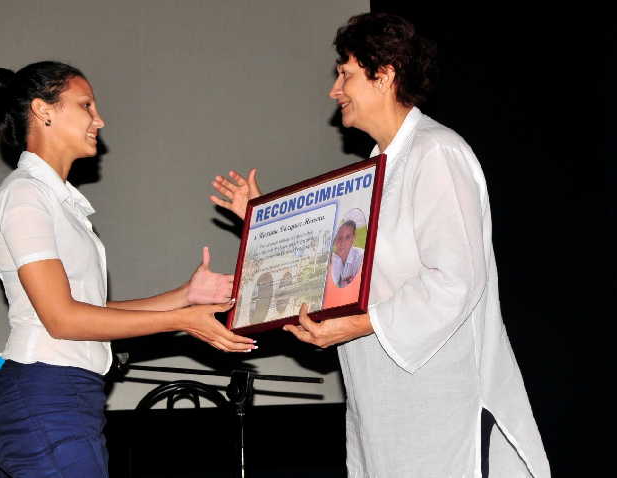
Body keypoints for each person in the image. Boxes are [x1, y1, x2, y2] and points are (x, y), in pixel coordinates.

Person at [210, 12, 550, 478]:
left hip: (438, 400)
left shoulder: (436, 152)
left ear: (384, 74)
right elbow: (337, 269)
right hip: (383, 402)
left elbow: (454, 279)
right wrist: (263, 220)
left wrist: (360, 324)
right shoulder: (375, 171)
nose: (335, 90)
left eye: (345, 73)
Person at [0, 61, 256, 478]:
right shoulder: (25, 196)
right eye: (86, 104)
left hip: (59, 398)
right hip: (48, 396)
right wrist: (182, 320)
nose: (99, 119)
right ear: (43, 110)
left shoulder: (53, 199)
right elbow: (63, 319)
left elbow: (88, 309)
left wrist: (184, 296)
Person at [330, 220, 364, 287]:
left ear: (353, 238)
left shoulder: (361, 256)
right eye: (339, 237)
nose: (343, 242)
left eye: (347, 237)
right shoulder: (331, 259)